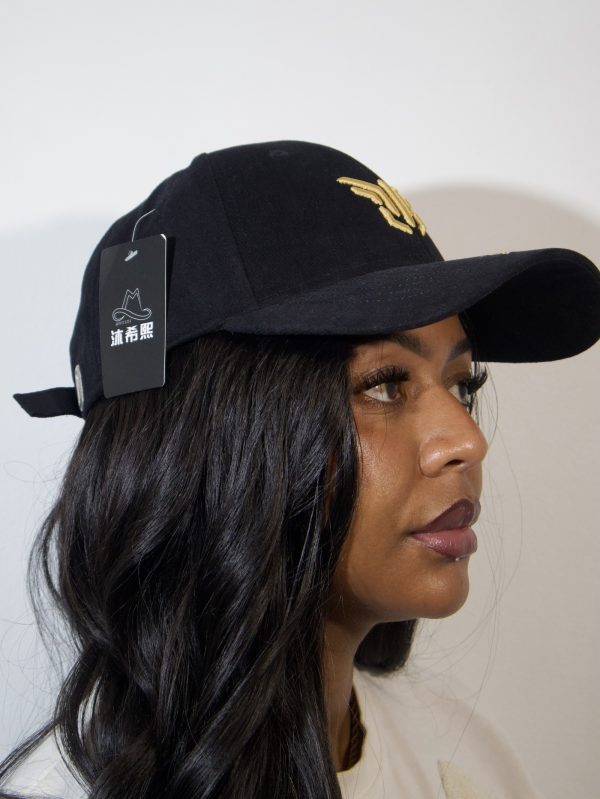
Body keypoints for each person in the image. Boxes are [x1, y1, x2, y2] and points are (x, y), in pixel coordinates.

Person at [1, 140, 599, 799]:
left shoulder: (463, 762)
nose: (466, 440)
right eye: (384, 384)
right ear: (205, 445)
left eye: (462, 384)